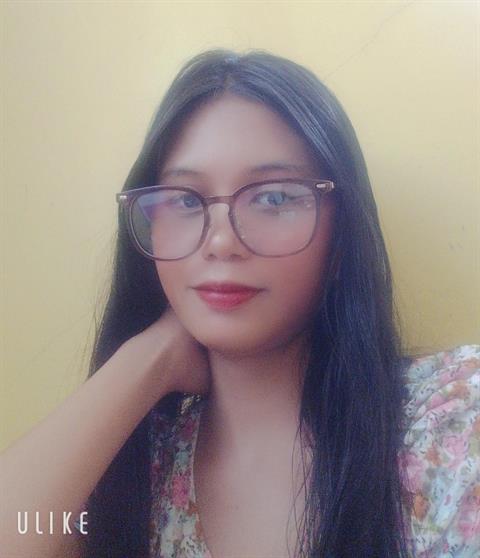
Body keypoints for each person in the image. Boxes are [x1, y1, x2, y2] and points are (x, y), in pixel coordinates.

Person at [1, 49, 478, 558]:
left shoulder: (451, 419)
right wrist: (149, 358)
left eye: (273, 197)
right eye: (186, 200)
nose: (221, 241)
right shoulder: (138, 467)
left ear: (342, 233)